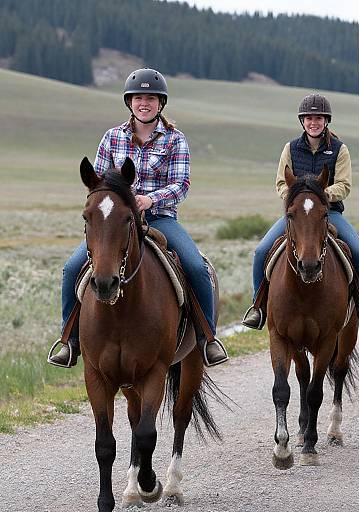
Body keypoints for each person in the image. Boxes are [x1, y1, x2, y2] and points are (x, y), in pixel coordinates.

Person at [48, 68, 228, 368]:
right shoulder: (112, 138)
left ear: (161, 104)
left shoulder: (175, 140)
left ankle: (207, 338)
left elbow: (181, 184)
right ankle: (69, 340)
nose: (144, 103)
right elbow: (98, 182)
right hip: (117, 224)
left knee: (197, 267)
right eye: (139, 98)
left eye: (151, 98)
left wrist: (149, 199)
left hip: (159, 219)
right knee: (70, 269)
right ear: (129, 102)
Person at [242, 93, 359, 331]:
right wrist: (298, 199)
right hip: (297, 215)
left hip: (328, 213)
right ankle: (258, 306)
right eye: (308, 118)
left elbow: (345, 185)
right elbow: (280, 183)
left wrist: (321, 197)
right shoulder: (290, 148)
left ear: (326, 120)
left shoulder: (340, 149)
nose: (313, 122)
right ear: (302, 121)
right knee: (261, 251)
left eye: (318, 118)